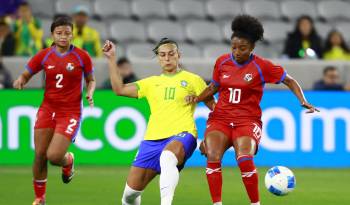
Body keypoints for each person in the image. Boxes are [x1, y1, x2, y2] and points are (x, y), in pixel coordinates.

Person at [189, 15, 319, 205]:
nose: (237, 52)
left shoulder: (262, 66)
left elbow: (289, 80)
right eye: (234, 47)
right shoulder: (222, 62)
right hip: (221, 118)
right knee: (213, 155)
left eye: (242, 48)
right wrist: (196, 99)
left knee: (244, 158)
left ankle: (255, 204)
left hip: (247, 121)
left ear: (252, 48)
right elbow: (213, 87)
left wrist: (303, 100)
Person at [102, 38, 214, 205]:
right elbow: (119, 89)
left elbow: (216, 108)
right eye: (162, 55)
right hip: (152, 140)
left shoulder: (193, 80)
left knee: (168, 157)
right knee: (129, 195)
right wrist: (111, 58)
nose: (167, 58)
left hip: (183, 135)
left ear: (178, 55)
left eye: (171, 54)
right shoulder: (151, 83)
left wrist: (210, 137)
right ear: (158, 58)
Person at [13, 16, 96, 205]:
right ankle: (40, 198)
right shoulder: (44, 55)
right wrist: (21, 80)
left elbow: (91, 79)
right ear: (52, 35)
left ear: (72, 34)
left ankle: (68, 161)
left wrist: (90, 92)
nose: (63, 37)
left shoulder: (81, 56)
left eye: (67, 33)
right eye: (59, 33)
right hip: (47, 109)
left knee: (54, 156)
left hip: (70, 111)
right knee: (40, 155)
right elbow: (26, 73)